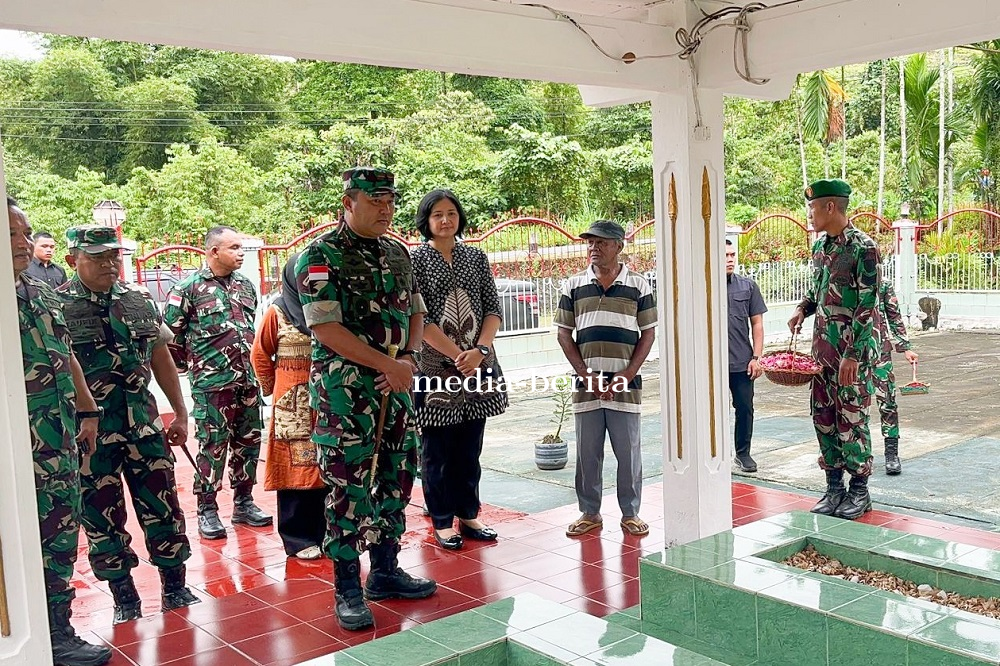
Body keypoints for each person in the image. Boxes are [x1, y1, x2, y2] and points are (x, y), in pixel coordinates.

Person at [295, 167, 436, 631]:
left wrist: (410, 359)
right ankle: (347, 588)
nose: (385, 209)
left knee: (398, 476)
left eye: (390, 201)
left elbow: (416, 310)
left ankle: (385, 570)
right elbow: (325, 327)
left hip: (395, 388)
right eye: (375, 202)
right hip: (346, 394)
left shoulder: (398, 253)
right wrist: (386, 364)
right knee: (349, 488)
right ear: (348, 202)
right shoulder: (319, 256)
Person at [57, 225, 200, 625]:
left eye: (112, 257)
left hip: (145, 428)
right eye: (97, 257)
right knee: (101, 516)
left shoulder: (138, 300)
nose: (108, 264)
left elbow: (161, 356)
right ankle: (125, 597)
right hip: (93, 435)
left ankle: (175, 587)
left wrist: (180, 412)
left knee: (165, 509)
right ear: (73, 260)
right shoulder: (58, 307)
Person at [8, 198, 111, 666]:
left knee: (60, 534)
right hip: (13, 451)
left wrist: (88, 411)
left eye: (25, 233)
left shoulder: (40, 292)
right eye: (12, 232)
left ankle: (57, 633)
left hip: (57, 441)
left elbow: (64, 354)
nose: (23, 242)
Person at [410, 189, 509, 551]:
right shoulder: (416, 261)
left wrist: (479, 350)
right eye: (437, 214)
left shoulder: (476, 257)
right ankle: (440, 519)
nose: (446, 220)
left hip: (479, 366)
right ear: (427, 221)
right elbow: (420, 318)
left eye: (451, 213)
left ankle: (468, 513)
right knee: (437, 450)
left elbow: (492, 308)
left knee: (471, 447)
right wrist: (458, 355)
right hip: (437, 368)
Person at [163, 226, 272, 539]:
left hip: (247, 380)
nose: (240, 253)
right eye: (234, 248)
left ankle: (244, 502)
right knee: (213, 445)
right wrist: (196, 368)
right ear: (213, 251)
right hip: (212, 384)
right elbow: (171, 340)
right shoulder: (188, 289)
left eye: (241, 248)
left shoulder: (246, 286)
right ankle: (207, 508)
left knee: (249, 442)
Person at [555, 220, 657, 538]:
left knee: (628, 451)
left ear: (618, 246)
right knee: (588, 452)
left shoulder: (639, 286)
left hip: (625, 386)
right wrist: (586, 375)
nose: (593, 248)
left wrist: (627, 375)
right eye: (590, 243)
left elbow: (649, 333)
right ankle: (589, 512)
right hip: (587, 386)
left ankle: (631, 513)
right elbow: (563, 334)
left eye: (600, 243)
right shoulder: (572, 286)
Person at [788, 179, 880, 520]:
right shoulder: (820, 248)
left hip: (849, 356)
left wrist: (853, 354)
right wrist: (802, 309)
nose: (809, 214)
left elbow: (868, 305)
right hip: (821, 355)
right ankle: (834, 488)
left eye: (813, 208)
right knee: (823, 417)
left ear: (830, 207)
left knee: (851, 420)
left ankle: (860, 491)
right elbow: (819, 292)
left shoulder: (863, 248)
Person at [251, 252, 328, 559]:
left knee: (327, 465)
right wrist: (275, 391)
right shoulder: (278, 312)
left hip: (328, 400)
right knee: (296, 470)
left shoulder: (329, 309)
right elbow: (260, 354)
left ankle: (326, 533)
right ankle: (298, 539)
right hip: (292, 406)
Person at [726, 239, 767, 473]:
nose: (730, 259)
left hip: (742, 362)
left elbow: (757, 324)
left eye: (732, 255)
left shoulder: (747, 286)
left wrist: (757, 357)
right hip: (713, 365)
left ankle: (743, 454)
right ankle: (717, 453)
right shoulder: (704, 287)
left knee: (745, 408)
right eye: (725, 255)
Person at [873, 274, 918, 475]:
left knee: (887, 401)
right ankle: (857, 454)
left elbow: (894, 316)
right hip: (853, 354)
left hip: (880, 352)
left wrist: (905, 348)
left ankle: (891, 453)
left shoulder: (883, 285)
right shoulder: (848, 283)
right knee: (853, 403)